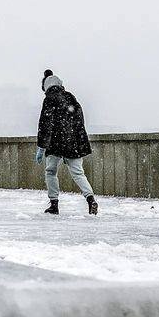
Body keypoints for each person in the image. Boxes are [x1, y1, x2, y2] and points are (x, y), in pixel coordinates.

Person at [35, 69, 98, 215]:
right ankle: (91, 199)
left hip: (55, 143)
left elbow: (45, 124)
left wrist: (41, 147)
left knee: (51, 172)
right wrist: (79, 142)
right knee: (78, 173)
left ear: (46, 87)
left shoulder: (49, 99)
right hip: (72, 143)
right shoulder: (71, 97)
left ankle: (54, 204)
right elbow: (79, 122)